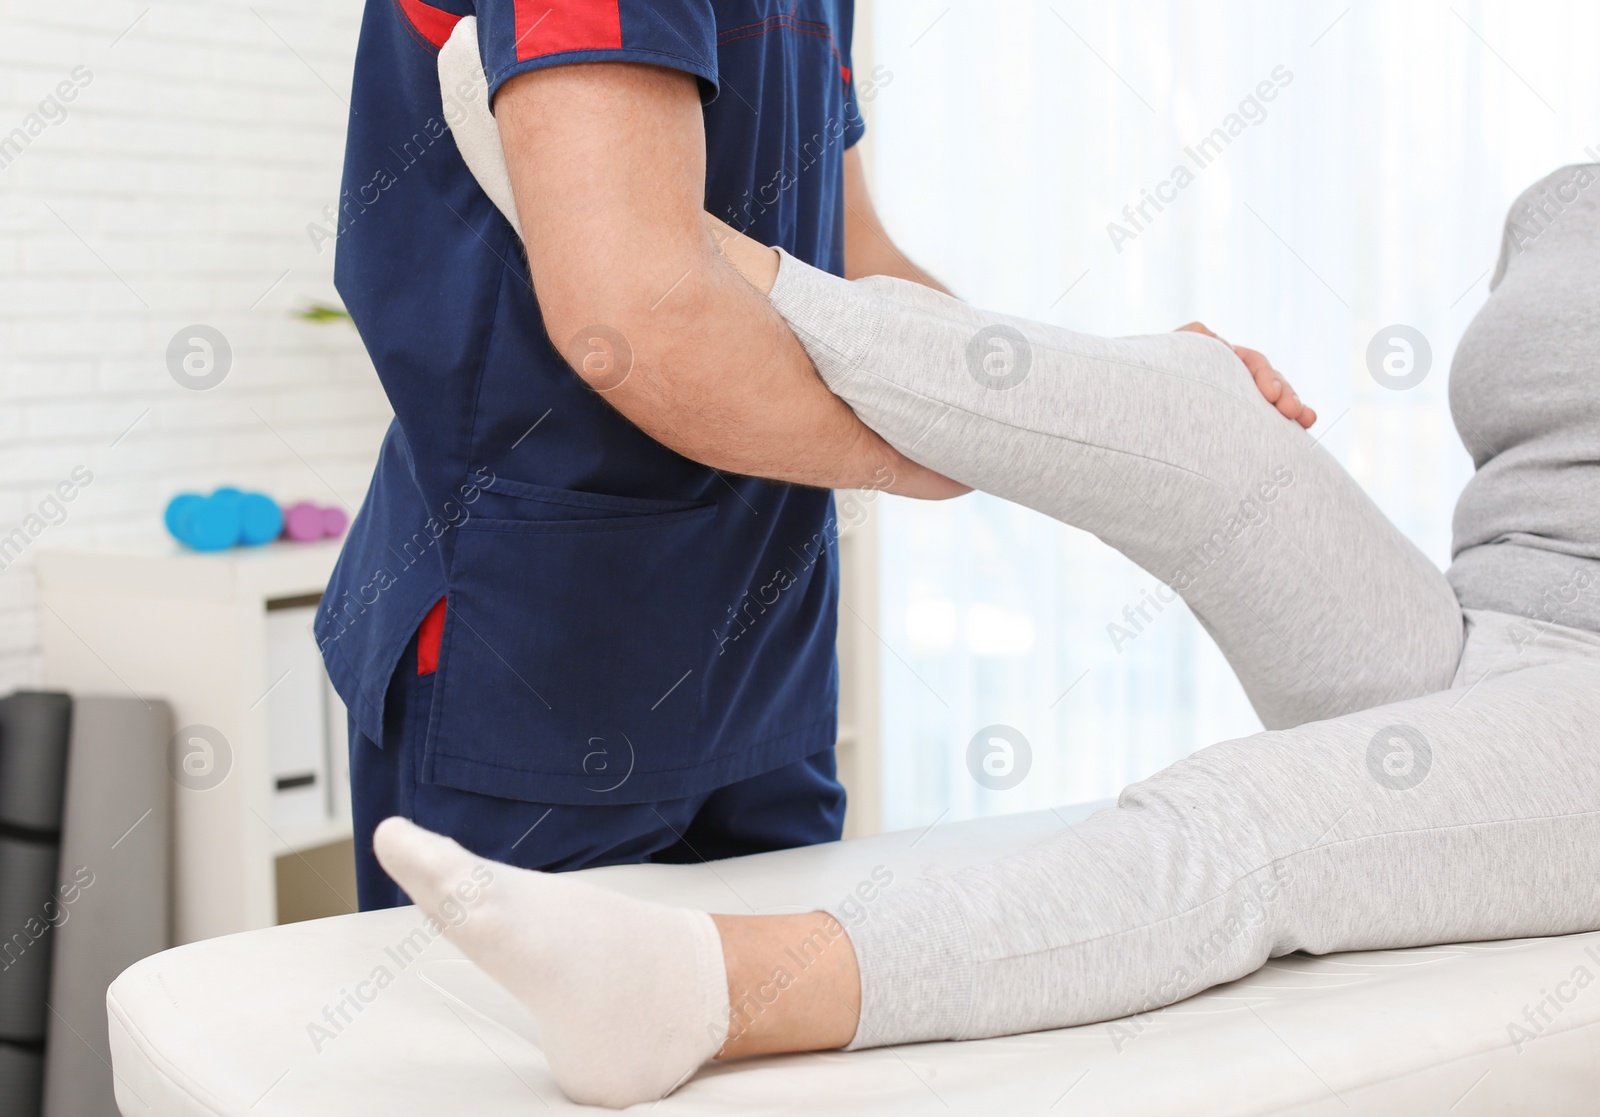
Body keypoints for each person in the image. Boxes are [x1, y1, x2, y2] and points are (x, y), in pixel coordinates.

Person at [371, 161, 1600, 1109]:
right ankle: (678, 248)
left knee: (1249, 818)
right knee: (1206, 422)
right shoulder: (1559, 205)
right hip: (1476, 633)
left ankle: (707, 990)